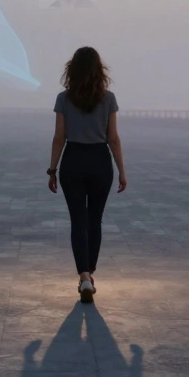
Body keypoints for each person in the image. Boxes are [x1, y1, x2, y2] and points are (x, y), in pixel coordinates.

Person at [47, 46, 127, 302]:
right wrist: (122, 170)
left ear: (73, 70)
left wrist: (52, 169)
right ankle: (90, 273)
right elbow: (113, 138)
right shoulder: (109, 98)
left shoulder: (63, 98)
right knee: (95, 220)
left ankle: (83, 276)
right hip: (100, 161)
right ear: (98, 71)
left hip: (72, 159)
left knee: (77, 221)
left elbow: (59, 138)